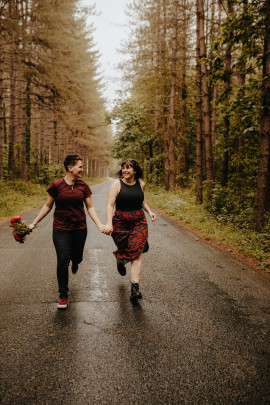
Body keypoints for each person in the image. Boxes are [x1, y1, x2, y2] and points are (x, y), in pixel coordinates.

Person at [29, 154, 106, 309]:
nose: (82, 170)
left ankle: (75, 261)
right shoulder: (56, 186)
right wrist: (34, 223)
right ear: (70, 168)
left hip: (79, 228)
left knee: (76, 257)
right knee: (62, 260)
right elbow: (47, 206)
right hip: (60, 228)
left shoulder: (83, 186)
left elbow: (90, 207)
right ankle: (63, 295)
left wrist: (99, 225)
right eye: (80, 167)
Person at [105, 158, 156, 301]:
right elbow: (110, 205)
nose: (125, 170)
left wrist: (149, 211)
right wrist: (109, 224)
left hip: (138, 221)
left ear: (135, 170)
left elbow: (141, 201)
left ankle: (135, 288)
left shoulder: (141, 184)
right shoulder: (116, 184)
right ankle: (120, 259)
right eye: (123, 167)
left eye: (128, 168)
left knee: (137, 253)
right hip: (120, 222)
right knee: (125, 248)